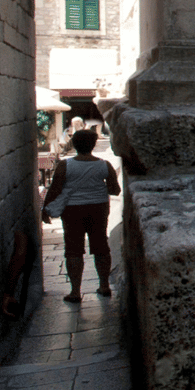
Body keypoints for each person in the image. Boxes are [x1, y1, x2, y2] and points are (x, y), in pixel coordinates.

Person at [42, 128, 121, 302]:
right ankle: (104, 285)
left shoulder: (66, 165)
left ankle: (75, 291)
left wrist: (45, 209)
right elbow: (115, 190)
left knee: (73, 250)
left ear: (75, 145)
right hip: (98, 208)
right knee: (101, 246)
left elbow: (55, 188)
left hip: (72, 211)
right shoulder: (104, 165)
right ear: (93, 145)